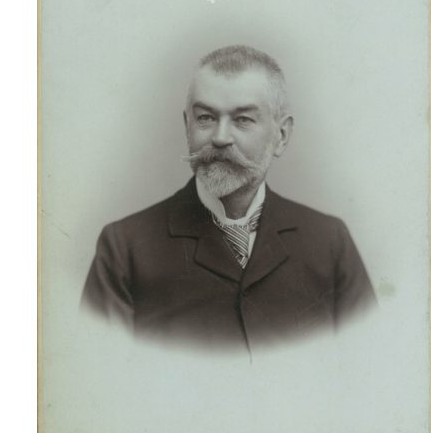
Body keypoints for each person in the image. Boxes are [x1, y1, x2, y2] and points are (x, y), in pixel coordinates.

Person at [82, 45, 376, 351]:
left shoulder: (330, 242)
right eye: (206, 118)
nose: (220, 137)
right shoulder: (125, 249)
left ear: (282, 136)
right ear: (188, 126)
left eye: (243, 119)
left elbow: (366, 367)